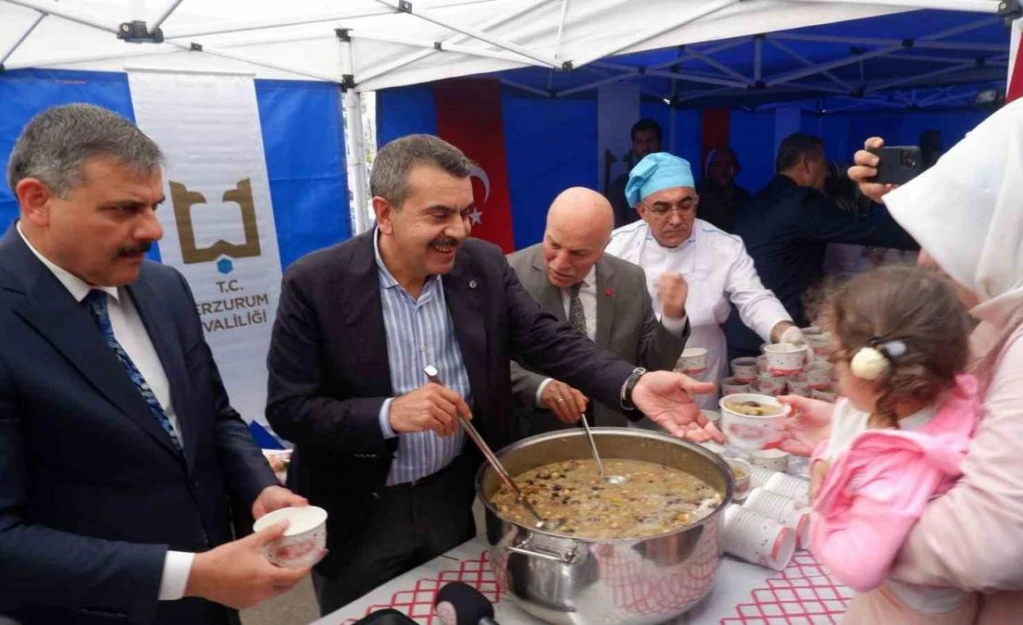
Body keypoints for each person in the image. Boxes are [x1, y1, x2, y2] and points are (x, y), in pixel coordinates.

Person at [265, 134, 722, 615]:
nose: (458, 231)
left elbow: (549, 340)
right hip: (361, 509)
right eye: (439, 215)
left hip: (451, 496)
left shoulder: (479, 264)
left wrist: (633, 382)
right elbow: (290, 409)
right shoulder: (315, 283)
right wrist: (388, 413)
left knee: (451, 610)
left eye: (464, 213)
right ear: (384, 212)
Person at [776, 88, 1023, 625]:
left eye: (965, 219)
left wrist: (848, 503)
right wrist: (859, 424)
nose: (930, 258)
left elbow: (996, 539)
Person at [0, 104, 311, 625]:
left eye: (155, 205)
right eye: (124, 209)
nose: (154, 230)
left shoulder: (163, 288)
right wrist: (186, 574)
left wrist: (261, 486)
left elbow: (211, 414)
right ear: (38, 200)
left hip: (212, 604)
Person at [806, 266, 980, 624]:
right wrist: (823, 462)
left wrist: (819, 512)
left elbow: (857, 566)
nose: (831, 369)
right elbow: (845, 438)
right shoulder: (882, 405)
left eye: (835, 359)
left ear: (869, 370)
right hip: (888, 591)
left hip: (914, 611)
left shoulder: (906, 466)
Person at [605, 152, 804, 408]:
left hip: (704, 360)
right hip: (638, 362)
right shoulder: (616, 247)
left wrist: (785, 331)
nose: (676, 218)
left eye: (685, 206)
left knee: (699, 433)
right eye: (662, 208)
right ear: (642, 210)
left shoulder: (724, 246)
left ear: (696, 202)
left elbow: (754, 298)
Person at [507, 187, 689, 436]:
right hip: (536, 435)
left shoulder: (629, 279)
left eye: (578, 253)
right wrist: (538, 387)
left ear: (604, 246)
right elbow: (484, 362)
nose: (560, 263)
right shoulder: (509, 273)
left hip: (609, 434)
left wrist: (672, 317)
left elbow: (648, 368)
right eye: (553, 244)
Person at [737, 133, 918, 329]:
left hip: (744, 321)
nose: (825, 175)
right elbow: (867, 230)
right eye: (823, 166)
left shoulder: (755, 200)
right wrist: (925, 233)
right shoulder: (801, 202)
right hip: (781, 327)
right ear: (806, 164)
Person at [606, 118, 663, 228]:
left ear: (660, 142)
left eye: (650, 140)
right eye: (639, 142)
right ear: (634, 145)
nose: (645, 147)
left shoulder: (675, 181)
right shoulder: (619, 187)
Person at [696, 146, 751, 231]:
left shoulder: (744, 199)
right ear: (709, 168)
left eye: (729, 164)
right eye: (718, 165)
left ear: (737, 168)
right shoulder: (697, 197)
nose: (724, 170)